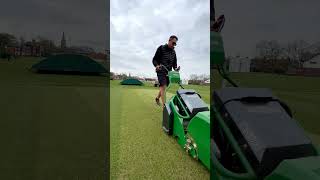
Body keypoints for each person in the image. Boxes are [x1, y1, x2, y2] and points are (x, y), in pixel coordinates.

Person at [152, 35, 180, 107]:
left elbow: (174, 64)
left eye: (175, 44)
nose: (174, 45)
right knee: (163, 86)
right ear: (169, 40)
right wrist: (157, 65)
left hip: (169, 73)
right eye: (173, 43)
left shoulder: (174, 52)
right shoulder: (161, 48)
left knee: (163, 87)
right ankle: (165, 107)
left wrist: (176, 69)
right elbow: (154, 59)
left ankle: (157, 98)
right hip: (161, 70)